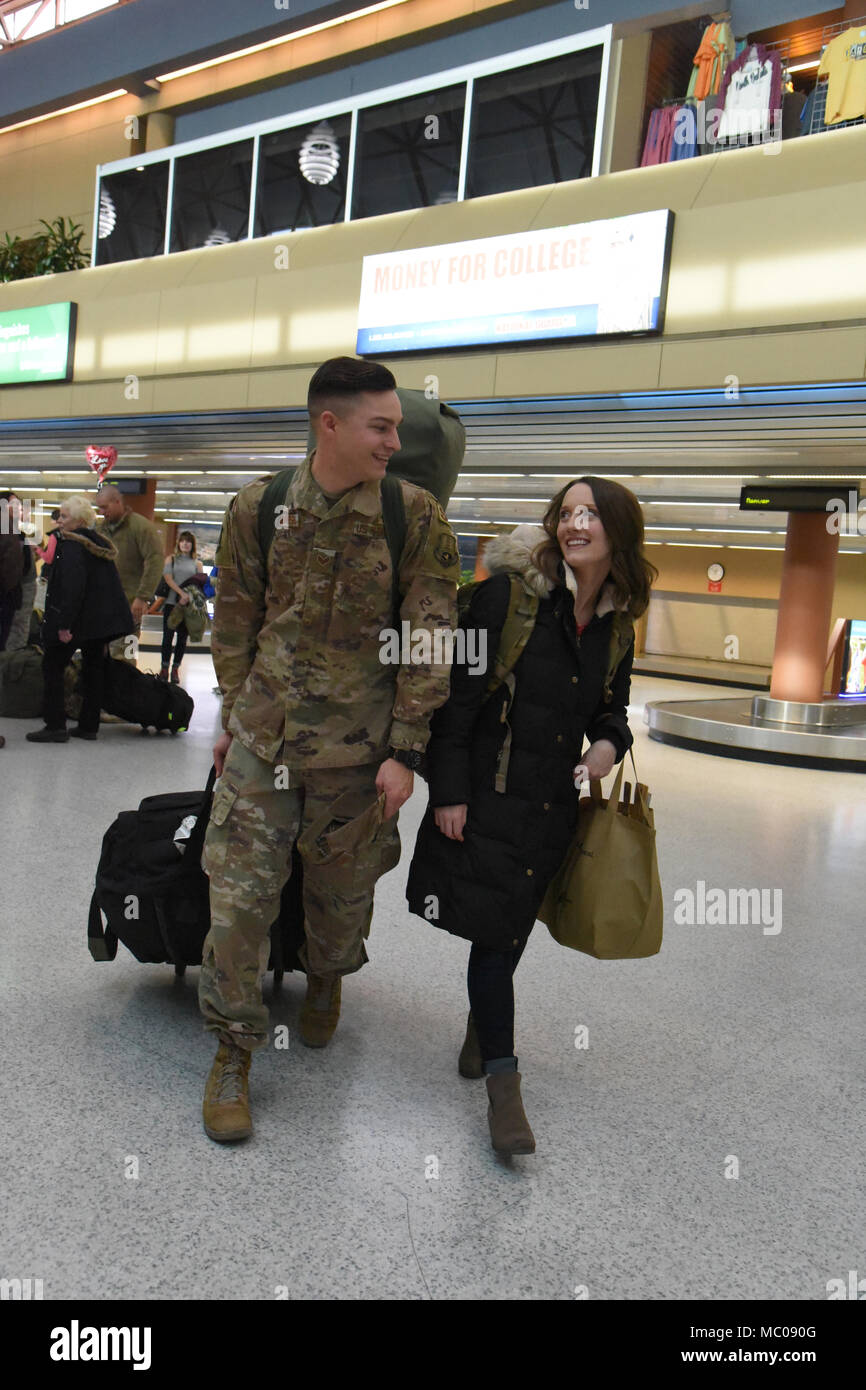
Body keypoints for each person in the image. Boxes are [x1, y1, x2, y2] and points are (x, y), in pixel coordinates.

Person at [199, 356, 460, 1144]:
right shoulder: (261, 506)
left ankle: (325, 976)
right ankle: (233, 1049)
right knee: (239, 902)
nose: (393, 441)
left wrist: (406, 752)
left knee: (339, 902)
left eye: (398, 429)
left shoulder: (413, 517)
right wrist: (234, 714)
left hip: (358, 752)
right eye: (381, 427)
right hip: (261, 740)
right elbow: (236, 618)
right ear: (331, 424)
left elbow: (430, 638)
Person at [406, 477, 657, 1157]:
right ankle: (503, 1087)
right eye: (567, 513)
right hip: (488, 799)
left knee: (510, 930)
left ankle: (482, 1030)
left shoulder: (617, 619)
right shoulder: (506, 596)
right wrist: (449, 793)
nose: (576, 525)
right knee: (494, 940)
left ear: (618, 531)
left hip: (554, 809)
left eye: (592, 515)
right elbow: (455, 702)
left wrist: (606, 745)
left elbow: (614, 706)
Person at [25, 494, 133, 744]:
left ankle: (55, 725)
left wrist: (64, 625)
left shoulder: (72, 546)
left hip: (78, 621)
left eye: (64, 516)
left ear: (80, 521)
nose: (59, 521)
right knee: (94, 669)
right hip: (99, 622)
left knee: (52, 665)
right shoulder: (97, 543)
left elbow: (72, 588)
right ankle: (88, 725)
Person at [95, 486, 163, 664]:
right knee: (100, 656)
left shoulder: (142, 528)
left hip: (130, 605)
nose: (102, 512)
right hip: (101, 605)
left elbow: (155, 562)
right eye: (99, 508)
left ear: (118, 502)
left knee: (125, 656)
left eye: (105, 507)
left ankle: (126, 690)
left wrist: (142, 597)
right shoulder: (99, 529)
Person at [159, 530, 204, 683]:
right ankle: (164, 668)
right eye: (182, 541)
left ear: (192, 545)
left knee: (182, 639)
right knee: (167, 637)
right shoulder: (170, 559)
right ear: (178, 543)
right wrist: (181, 594)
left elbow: (199, 585)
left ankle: (175, 669)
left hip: (188, 607)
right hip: (172, 603)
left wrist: (189, 598)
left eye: (188, 541)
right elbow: (168, 578)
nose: (185, 544)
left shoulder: (197, 564)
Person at [0, 492, 37, 651]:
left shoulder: (17, 532)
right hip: (10, 596)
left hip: (17, 597)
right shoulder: (7, 531)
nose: (20, 511)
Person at [0, 492, 25, 652]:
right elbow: (9, 564)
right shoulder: (6, 527)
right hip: (5, 595)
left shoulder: (11, 527)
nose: (20, 509)